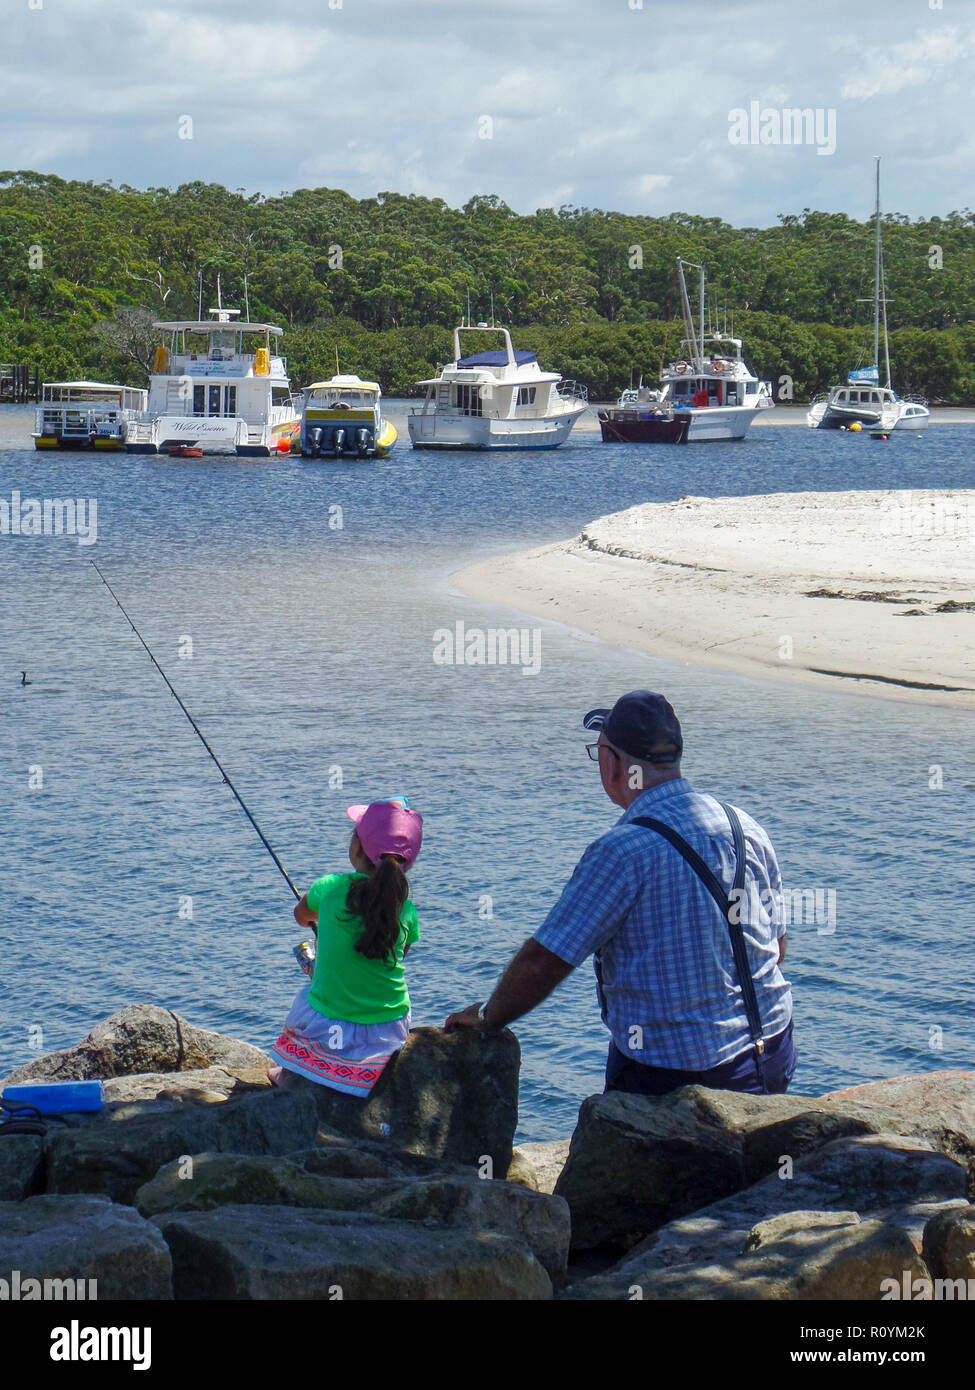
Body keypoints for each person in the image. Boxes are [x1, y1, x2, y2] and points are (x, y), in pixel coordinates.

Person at [445, 691, 796, 1097]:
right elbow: (776, 947)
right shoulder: (744, 826)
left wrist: (490, 1018)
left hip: (679, 1076)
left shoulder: (621, 851)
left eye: (598, 753)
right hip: (771, 1052)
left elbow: (545, 962)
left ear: (612, 762)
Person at [269, 799, 423, 1097]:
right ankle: (363, 1074)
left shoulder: (328, 888)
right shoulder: (407, 911)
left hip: (327, 1023)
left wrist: (324, 920)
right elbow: (400, 953)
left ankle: (297, 1072)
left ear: (358, 847)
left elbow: (301, 917)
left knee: (310, 997)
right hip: (387, 1028)